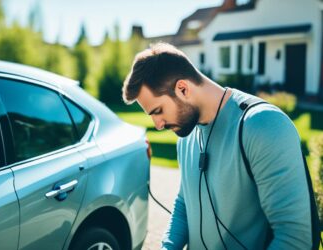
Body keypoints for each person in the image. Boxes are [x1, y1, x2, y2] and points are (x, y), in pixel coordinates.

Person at [122, 43, 313, 249]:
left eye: (158, 111)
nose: (158, 125)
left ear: (183, 88)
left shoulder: (263, 125)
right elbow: (185, 203)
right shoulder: (185, 136)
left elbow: (294, 237)